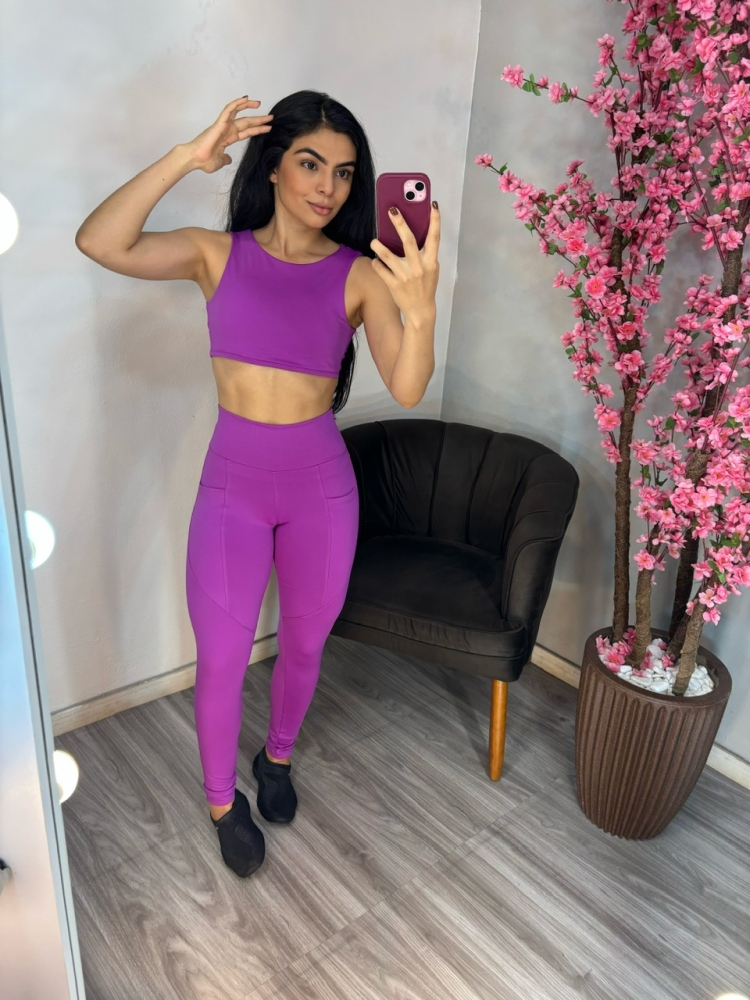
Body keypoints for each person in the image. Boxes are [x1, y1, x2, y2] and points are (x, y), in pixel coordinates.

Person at [75, 89, 440, 878]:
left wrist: (423, 305)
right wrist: (187, 157)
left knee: (304, 644)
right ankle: (221, 802)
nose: (328, 187)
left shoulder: (359, 275)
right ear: (272, 167)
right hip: (232, 489)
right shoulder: (216, 255)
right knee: (222, 657)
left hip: (321, 492)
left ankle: (276, 758)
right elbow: (100, 241)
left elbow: (409, 387)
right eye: (310, 164)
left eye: (344, 173)